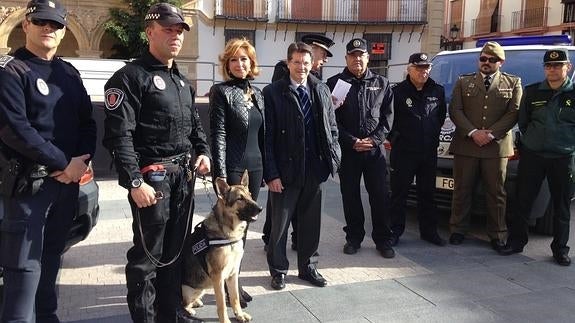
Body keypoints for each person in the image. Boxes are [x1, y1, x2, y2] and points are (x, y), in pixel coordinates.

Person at [102, 3, 210, 322]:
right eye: (168, 29)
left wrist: (202, 151)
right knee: (147, 258)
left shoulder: (180, 81)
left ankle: (172, 312)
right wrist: (135, 182)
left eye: (179, 31)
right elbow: (119, 136)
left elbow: (195, 125)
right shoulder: (130, 77)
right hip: (153, 180)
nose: (175, 36)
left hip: (182, 178)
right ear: (150, 32)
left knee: (175, 253)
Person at [0, 0, 97, 321]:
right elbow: (15, 129)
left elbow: (88, 122)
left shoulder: (68, 73)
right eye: (41, 22)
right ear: (25, 25)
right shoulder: (11, 70)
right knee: (24, 269)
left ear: (62, 30)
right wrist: (63, 163)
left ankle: (48, 316)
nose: (48, 29)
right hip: (29, 186)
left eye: (55, 24)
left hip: (66, 187)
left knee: (52, 257)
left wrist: (80, 163)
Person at [263, 42, 340, 290]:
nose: (302, 67)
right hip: (285, 173)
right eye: (296, 62)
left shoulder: (321, 89)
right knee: (280, 225)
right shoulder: (273, 92)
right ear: (288, 64)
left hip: (315, 170)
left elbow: (332, 128)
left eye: (306, 62)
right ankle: (278, 270)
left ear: (311, 64)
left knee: (311, 224)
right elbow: (267, 136)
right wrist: (271, 173)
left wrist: (332, 159)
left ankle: (308, 267)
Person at [500, 48, 575, 266]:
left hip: (562, 157)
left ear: (567, 67)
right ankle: (516, 242)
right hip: (533, 155)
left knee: (561, 206)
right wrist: (532, 142)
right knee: (523, 201)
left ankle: (560, 249)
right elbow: (523, 123)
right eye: (548, 66)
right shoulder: (532, 92)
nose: (552, 69)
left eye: (557, 65)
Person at [448, 41, 522, 251]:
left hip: (495, 148)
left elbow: (513, 113)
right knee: (461, 190)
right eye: (483, 59)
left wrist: (490, 134)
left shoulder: (513, 83)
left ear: (501, 62)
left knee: (496, 192)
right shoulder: (463, 82)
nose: (486, 63)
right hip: (466, 145)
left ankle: (497, 234)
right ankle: (457, 229)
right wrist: (473, 132)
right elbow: (456, 110)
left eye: (492, 60)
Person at [326, 38, 395, 258]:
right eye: (353, 55)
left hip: (374, 152)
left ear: (368, 57)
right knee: (351, 196)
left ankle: (383, 240)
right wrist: (351, 141)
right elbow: (331, 119)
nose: (357, 59)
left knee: (380, 196)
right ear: (346, 58)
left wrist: (374, 140)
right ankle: (353, 237)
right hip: (349, 151)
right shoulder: (335, 83)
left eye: (361, 55)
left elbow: (389, 118)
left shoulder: (382, 83)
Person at [209, 37, 264, 307]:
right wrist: (220, 174)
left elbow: (263, 135)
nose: (239, 64)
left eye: (244, 59)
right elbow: (218, 134)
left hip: (256, 168)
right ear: (227, 64)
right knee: (229, 230)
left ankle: (235, 284)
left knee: (244, 231)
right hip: (233, 168)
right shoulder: (221, 92)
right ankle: (232, 291)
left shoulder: (257, 94)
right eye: (234, 59)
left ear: (251, 63)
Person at [389, 53, 447, 247]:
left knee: (428, 193)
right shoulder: (397, 91)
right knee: (399, 194)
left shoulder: (437, 91)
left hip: (428, 151)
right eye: (419, 67)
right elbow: (388, 120)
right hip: (404, 151)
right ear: (409, 68)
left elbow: (439, 117)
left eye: (426, 68)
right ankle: (395, 231)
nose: (424, 71)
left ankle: (429, 232)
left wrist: (430, 137)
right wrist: (397, 139)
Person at [270, 33, 335, 82]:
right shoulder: (284, 69)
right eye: (323, 54)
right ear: (312, 50)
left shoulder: (316, 76)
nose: (326, 60)